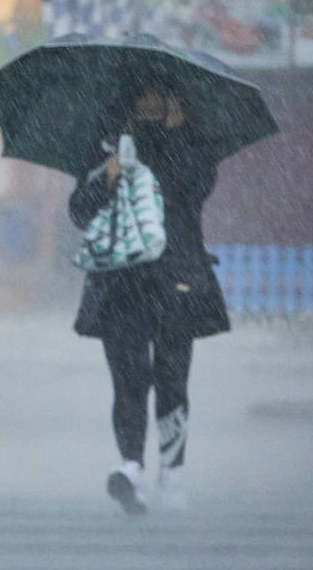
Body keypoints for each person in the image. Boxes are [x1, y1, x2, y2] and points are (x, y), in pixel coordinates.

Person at [68, 84, 229, 515]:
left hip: (176, 283)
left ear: (177, 101)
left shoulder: (193, 143)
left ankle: (172, 475)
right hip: (121, 286)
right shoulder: (105, 147)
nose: (151, 106)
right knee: (129, 381)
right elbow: (79, 212)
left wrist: (176, 137)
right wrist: (106, 177)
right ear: (128, 101)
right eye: (143, 97)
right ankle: (131, 469)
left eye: (161, 97)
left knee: (173, 382)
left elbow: (192, 191)